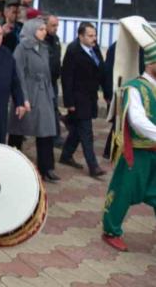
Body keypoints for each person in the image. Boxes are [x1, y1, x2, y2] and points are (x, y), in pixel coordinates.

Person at [101, 18, 156, 252]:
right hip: (138, 151)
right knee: (123, 192)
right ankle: (111, 230)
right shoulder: (135, 87)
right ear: (151, 63)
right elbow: (137, 120)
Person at [7, 18, 60, 183]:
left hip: (44, 93)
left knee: (46, 129)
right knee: (18, 129)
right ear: (31, 30)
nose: (44, 32)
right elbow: (18, 74)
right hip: (28, 92)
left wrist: (50, 92)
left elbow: (47, 72)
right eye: (40, 29)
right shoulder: (21, 48)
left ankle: (47, 167)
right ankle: (12, 163)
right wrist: (23, 98)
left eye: (44, 29)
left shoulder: (43, 47)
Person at [60, 22, 109, 178]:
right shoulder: (73, 51)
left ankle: (66, 155)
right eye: (90, 36)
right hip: (78, 98)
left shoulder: (94, 48)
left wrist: (107, 93)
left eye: (95, 35)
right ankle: (93, 167)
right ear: (81, 36)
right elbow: (67, 77)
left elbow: (101, 70)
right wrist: (69, 102)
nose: (94, 38)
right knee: (87, 132)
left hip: (90, 96)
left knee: (76, 130)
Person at [45, 15, 64, 146]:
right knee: (49, 108)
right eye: (53, 25)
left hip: (53, 80)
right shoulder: (41, 40)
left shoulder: (56, 39)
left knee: (54, 108)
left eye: (57, 25)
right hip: (44, 81)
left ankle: (55, 136)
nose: (56, 28)